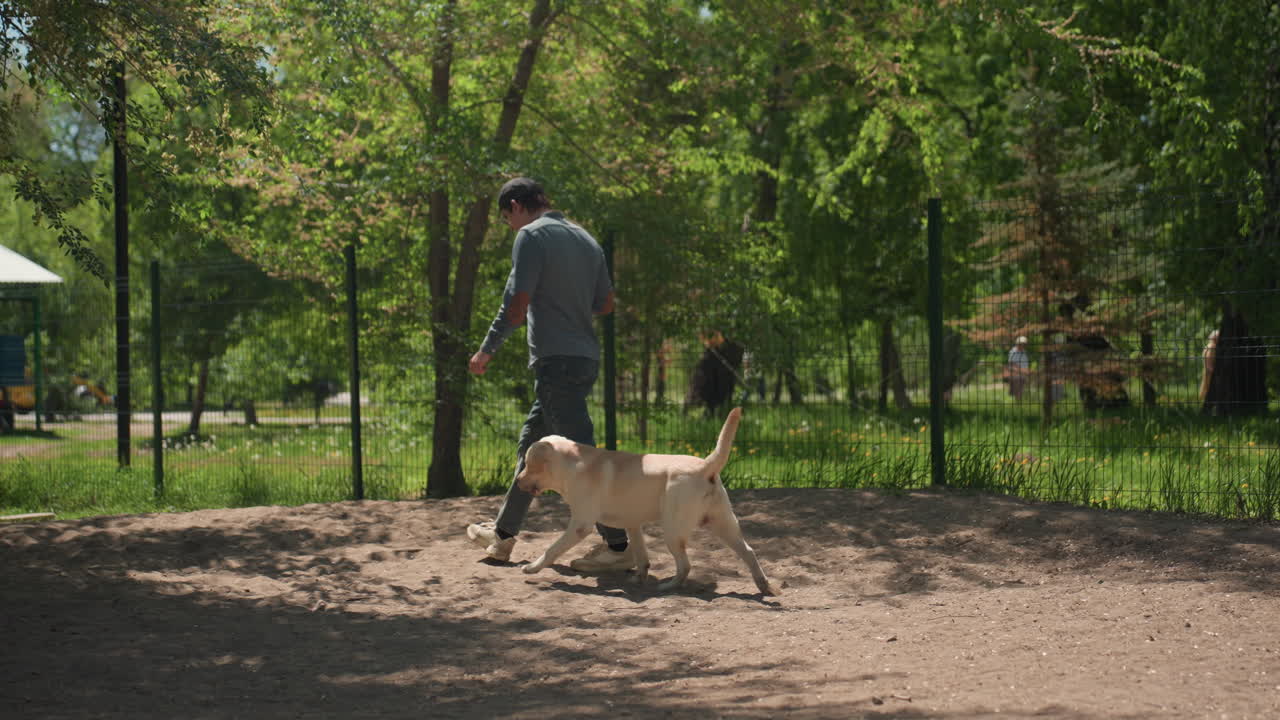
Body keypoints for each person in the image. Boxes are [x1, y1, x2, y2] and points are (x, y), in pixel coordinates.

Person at [464, 177, 632, 572]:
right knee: (530, 450)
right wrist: (568, 300)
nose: (511, 227)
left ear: (517, 206)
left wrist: (487, 350)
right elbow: (606, 303)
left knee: (582, 456)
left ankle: (619, 546)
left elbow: (516, 305)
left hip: (555, 360)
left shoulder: (531, 237)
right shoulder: (586, 239)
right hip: (585, 358)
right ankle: (503, 536)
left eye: (508, 219)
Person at [1006, 335, 1030, 400]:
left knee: (1021, 393)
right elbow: (1011, 365)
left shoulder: (1024, 352)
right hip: (1016, 376)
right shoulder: (1013, 352)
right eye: (1022, 344)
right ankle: (1018, 406)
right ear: (1018, 343)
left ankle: (1019, 405)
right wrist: (1023, 371)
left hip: (1023, 375)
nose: (1023, 345)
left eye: (1024, 344)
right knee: (1018, 394)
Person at [1198, 329, 1219, 403]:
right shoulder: (1212, 347)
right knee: (1208, 387)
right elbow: (1209, 361)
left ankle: (1203, 400)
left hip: (1207, 370)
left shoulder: (1209, 346)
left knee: (1205, 386)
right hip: (1210, 371)